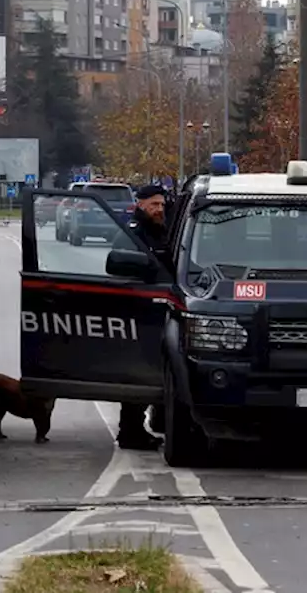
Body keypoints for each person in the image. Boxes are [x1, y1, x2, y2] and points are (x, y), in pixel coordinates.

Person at [116, 184, 172, 450]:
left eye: (162, 204)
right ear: (140, 205)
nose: (159, 209)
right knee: (137, 374)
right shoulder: (133, 234)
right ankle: (130, 431)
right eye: (154, 204)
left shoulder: (165, 231)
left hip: (164, 310)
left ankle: (157, 421)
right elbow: (123, 271)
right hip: (139, 312)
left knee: (159, 371)